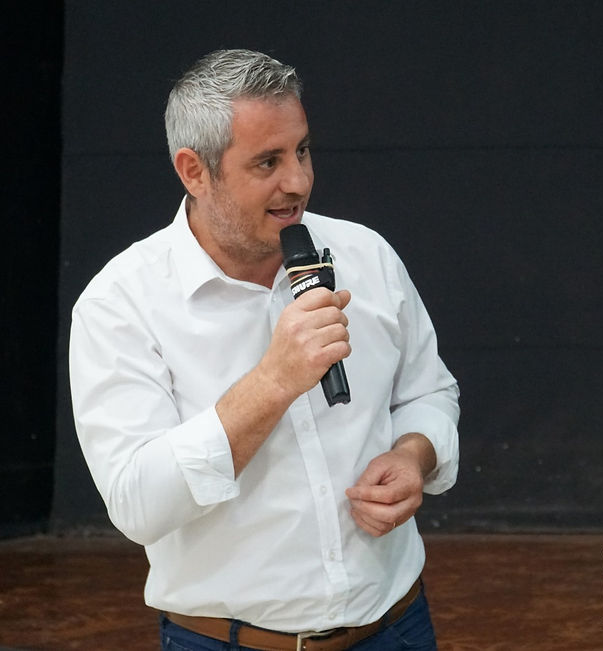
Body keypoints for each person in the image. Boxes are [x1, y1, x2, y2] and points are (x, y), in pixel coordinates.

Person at [69, 49, 460, 651]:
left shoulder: (366, 255)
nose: (298, 181)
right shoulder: (120, 304)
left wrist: (414, 456)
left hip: (395, 626)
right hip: (228, 641)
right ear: (193, 171)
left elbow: (429, 392)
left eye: (302, 151)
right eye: (267, 162)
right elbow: (138, 504)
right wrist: (273, 382)